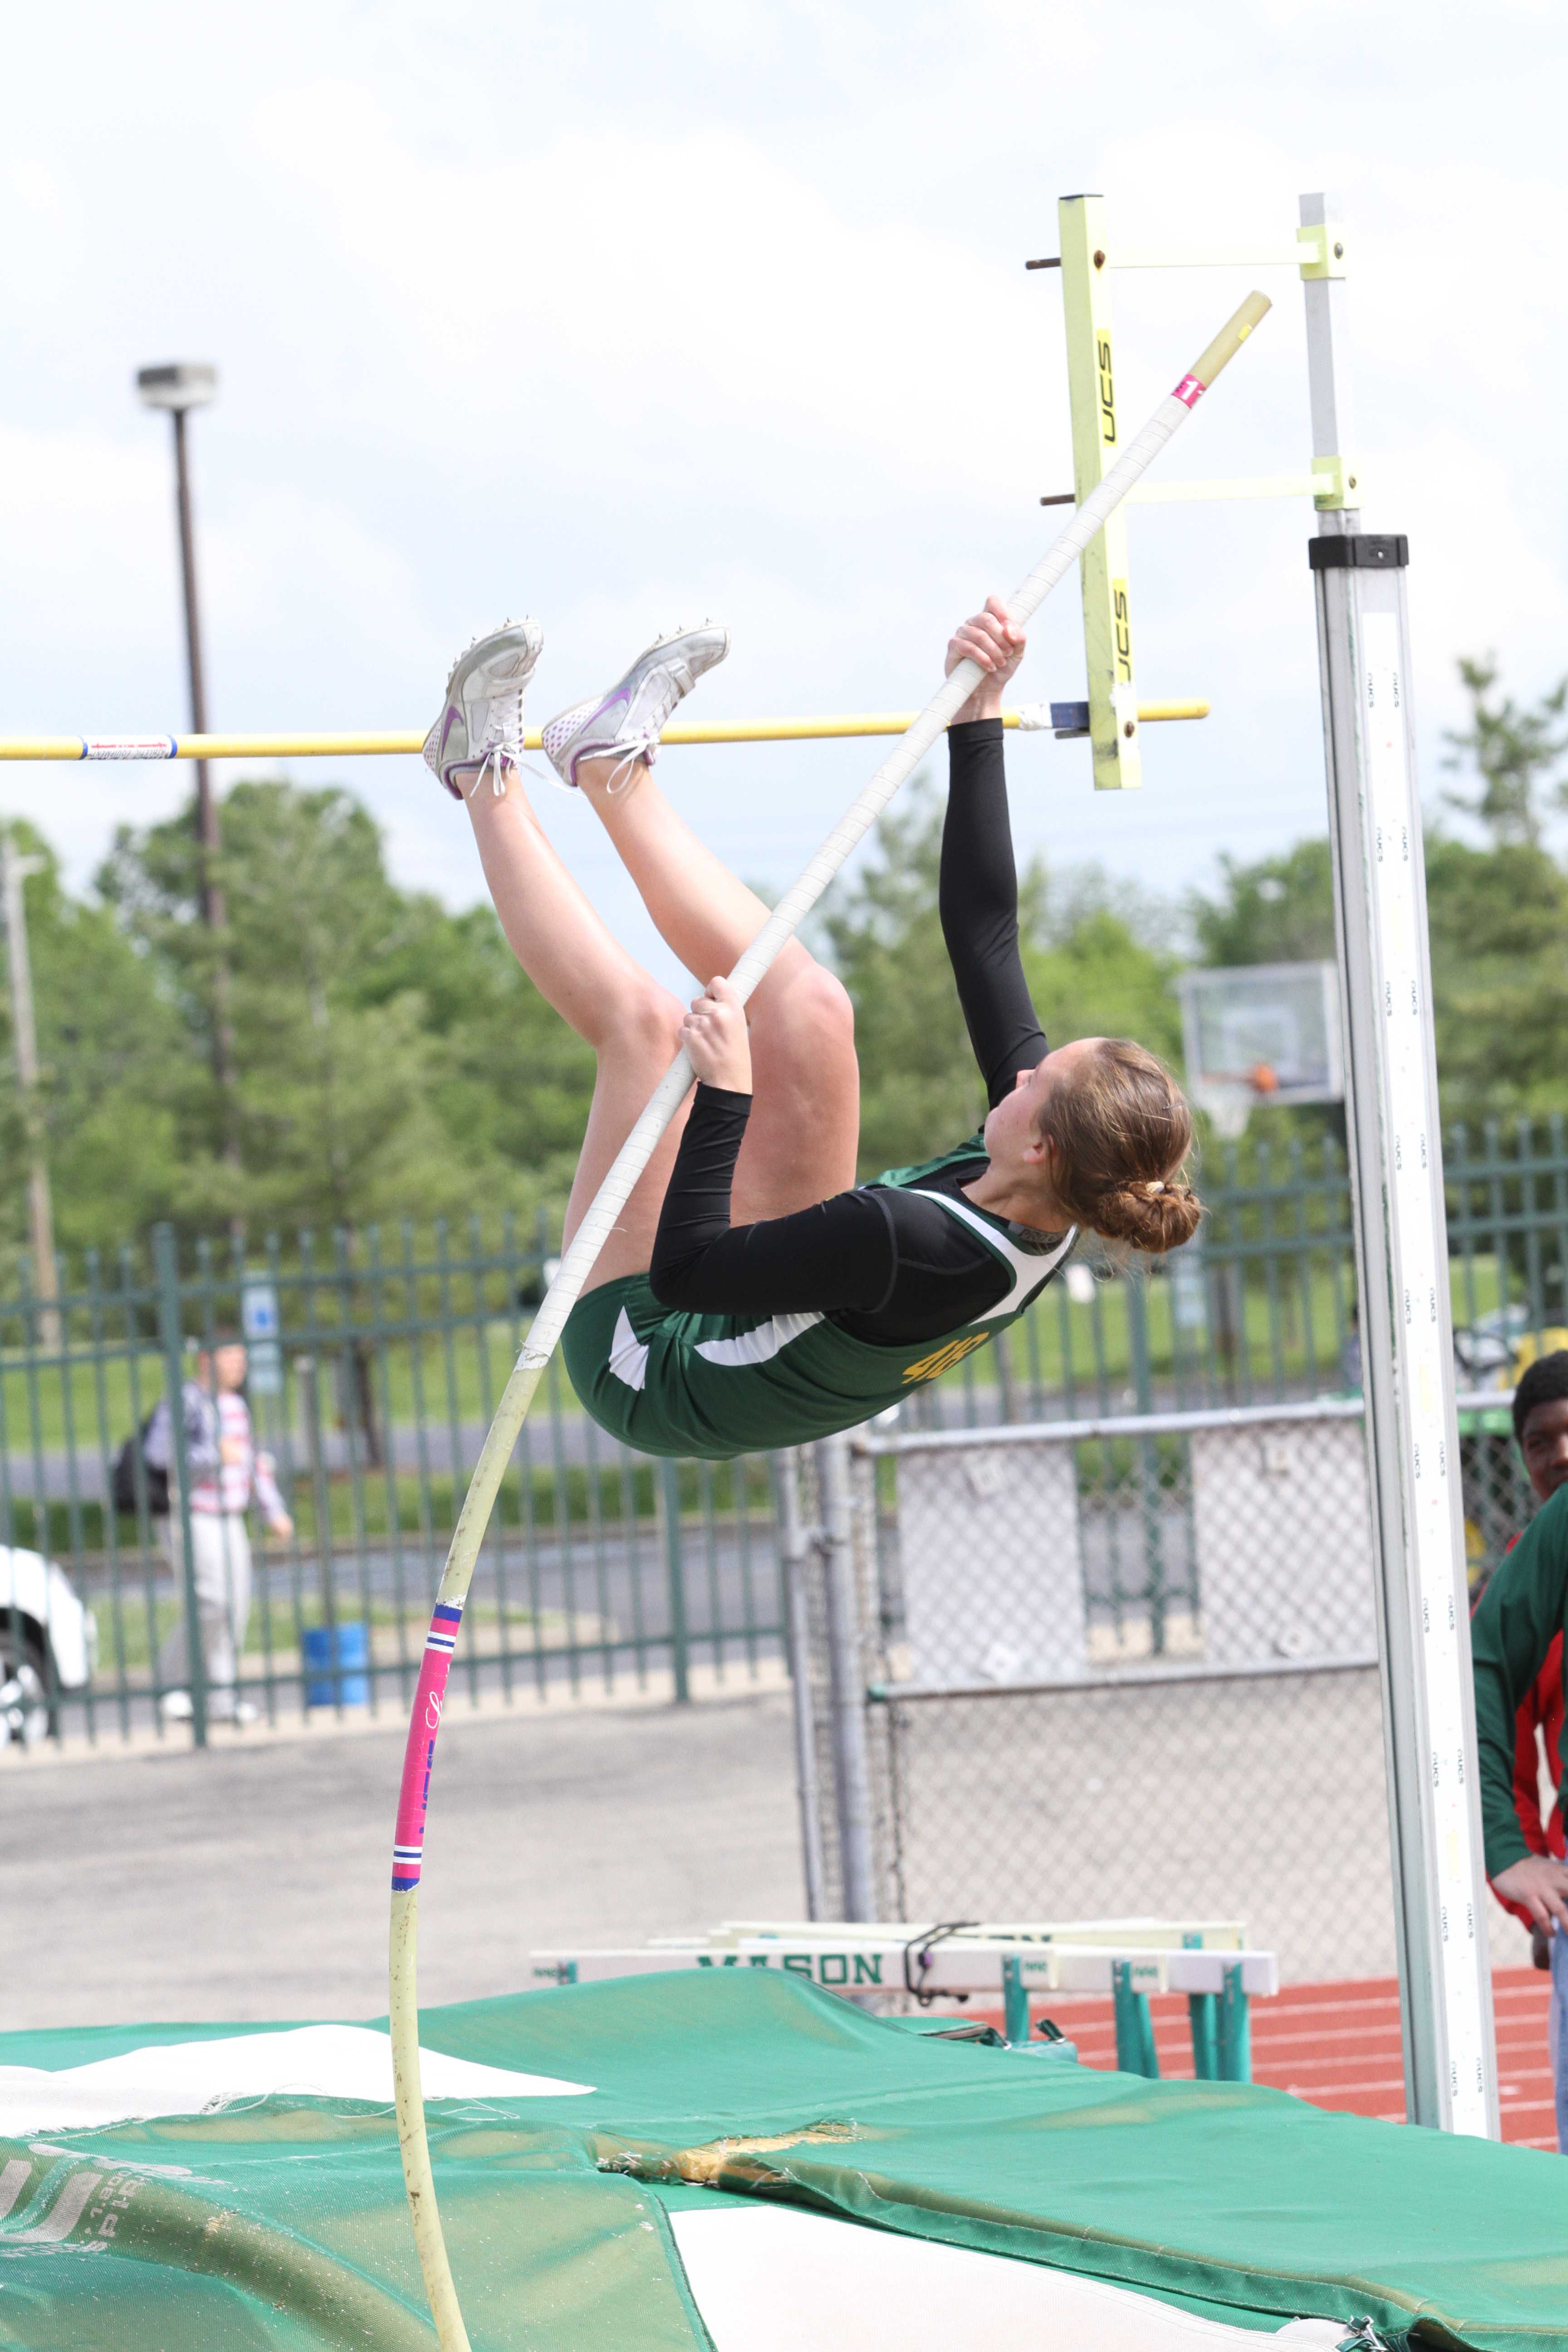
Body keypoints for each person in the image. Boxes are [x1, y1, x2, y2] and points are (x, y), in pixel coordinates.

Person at [423, 601, 1200, 1463]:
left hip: (650, 1359)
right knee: (814, 1006)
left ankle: (473, 765)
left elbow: (686, 1273)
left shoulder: (913, 1239)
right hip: (758, 1299)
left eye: (1033, 1082)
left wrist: (724, 1093)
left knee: (645, 1031)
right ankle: (610, 766)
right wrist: (977, 717)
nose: (1015, 1072)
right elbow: (986, 937)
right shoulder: (1058, 1176)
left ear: (1047, 1144)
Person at [1472, 1350, 1568, 2148]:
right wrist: (1525, 1871)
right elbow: (1503, 1743)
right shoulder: (1533, 1564)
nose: (1562, 1452)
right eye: (1542, 1439)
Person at [146, 1331, 293, 1725]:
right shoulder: (187, 1400)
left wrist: (273, 1510)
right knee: (211, 1602)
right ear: (208, 1360)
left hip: (231, 1518)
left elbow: (250, 1463)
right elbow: (159, 1453)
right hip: (195, 1516)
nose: (241, 1363)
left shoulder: (237, 1407)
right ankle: (171, 1683)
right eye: (233, 1355)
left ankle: (221, 1701)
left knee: (235, 1608)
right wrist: (213, 1453)